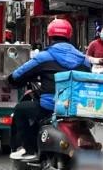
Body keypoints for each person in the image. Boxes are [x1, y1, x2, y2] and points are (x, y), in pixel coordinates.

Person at [6, 18, 89, 161]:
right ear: (70, 36)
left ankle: (27, 149)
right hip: (78, 108)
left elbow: (18, 75)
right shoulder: (83, 59)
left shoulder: (44, 57)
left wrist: (11, 80)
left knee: (21, 109)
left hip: (51, 107)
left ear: (49, 36)